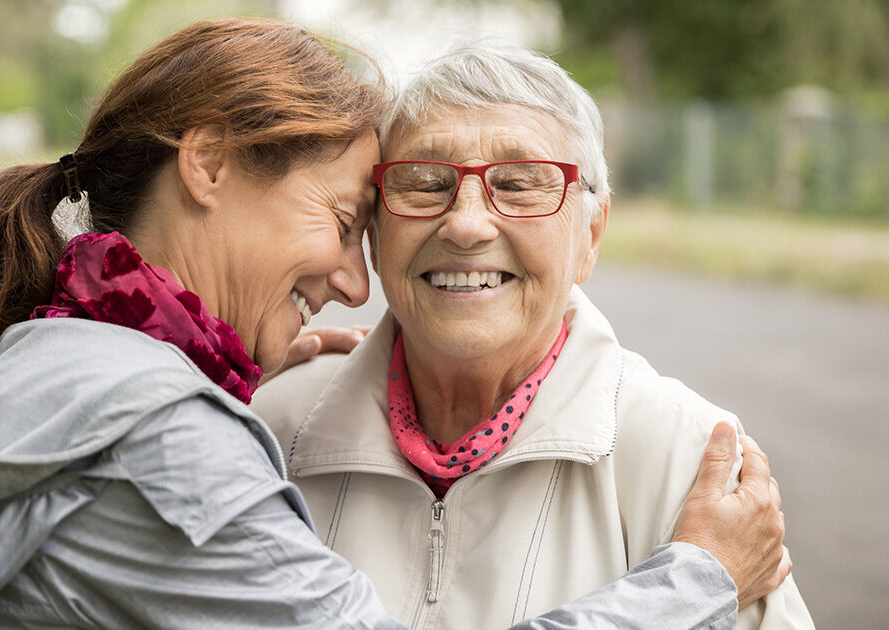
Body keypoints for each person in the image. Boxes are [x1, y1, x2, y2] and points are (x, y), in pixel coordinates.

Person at [0, 19, 788, 629]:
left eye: (523, 186)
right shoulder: (171, 434)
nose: (351, 279)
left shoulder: (64, 358)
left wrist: (222, 396)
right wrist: (696, 580)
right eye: (349, 219)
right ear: (207, 163)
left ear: (592, 231)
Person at [252, 42, 813, 629]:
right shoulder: (273, 425)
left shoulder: (688, 456)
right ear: (374, 228)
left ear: (590, 235)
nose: (466, 224)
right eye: (424, 181)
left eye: (521, 183)